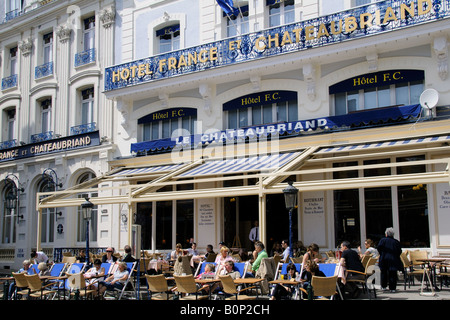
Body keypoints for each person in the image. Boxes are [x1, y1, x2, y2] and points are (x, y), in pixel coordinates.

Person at [377, 227, 403, 293]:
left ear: (386, 234)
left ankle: (384, 286)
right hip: (393, 259)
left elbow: (379, 248)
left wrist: (382, 254)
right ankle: (392, 288)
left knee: (383, 273)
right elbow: (399, 251)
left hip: (384, 259)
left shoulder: (382, 240)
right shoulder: (396, 242)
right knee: (393, 273)